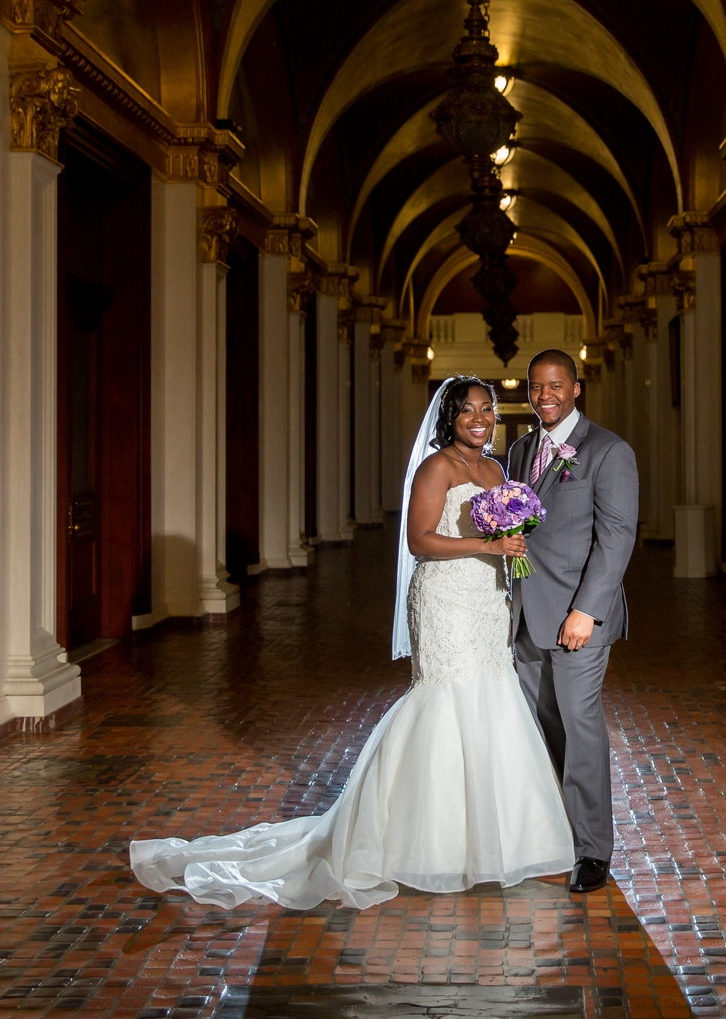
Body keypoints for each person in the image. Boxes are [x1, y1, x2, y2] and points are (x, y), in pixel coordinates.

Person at [129, 377, 574, 909]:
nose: (479, 419)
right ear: (449, 418)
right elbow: (420, 540)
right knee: (445, 700)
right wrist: (490, 542)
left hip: (486, 598)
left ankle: (500, 843)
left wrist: (508, 546)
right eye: (468, 411)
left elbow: (500, 535)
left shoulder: (496, 469)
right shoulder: (437, 468)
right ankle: (422, 845)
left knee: (491, 698)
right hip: (446, 600)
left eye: (487, 410)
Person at [505, 349, 639, 894]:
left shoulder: (609, 451)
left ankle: (591, 851)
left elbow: (617, 537)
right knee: (544, 727)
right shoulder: (519, 450)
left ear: (576, 388)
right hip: (524, 618)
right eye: (537, 387)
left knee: (581, 726)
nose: (546, 395)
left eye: (556, 385)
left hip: (577, 617)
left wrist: (586, 610)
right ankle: (557, 829)